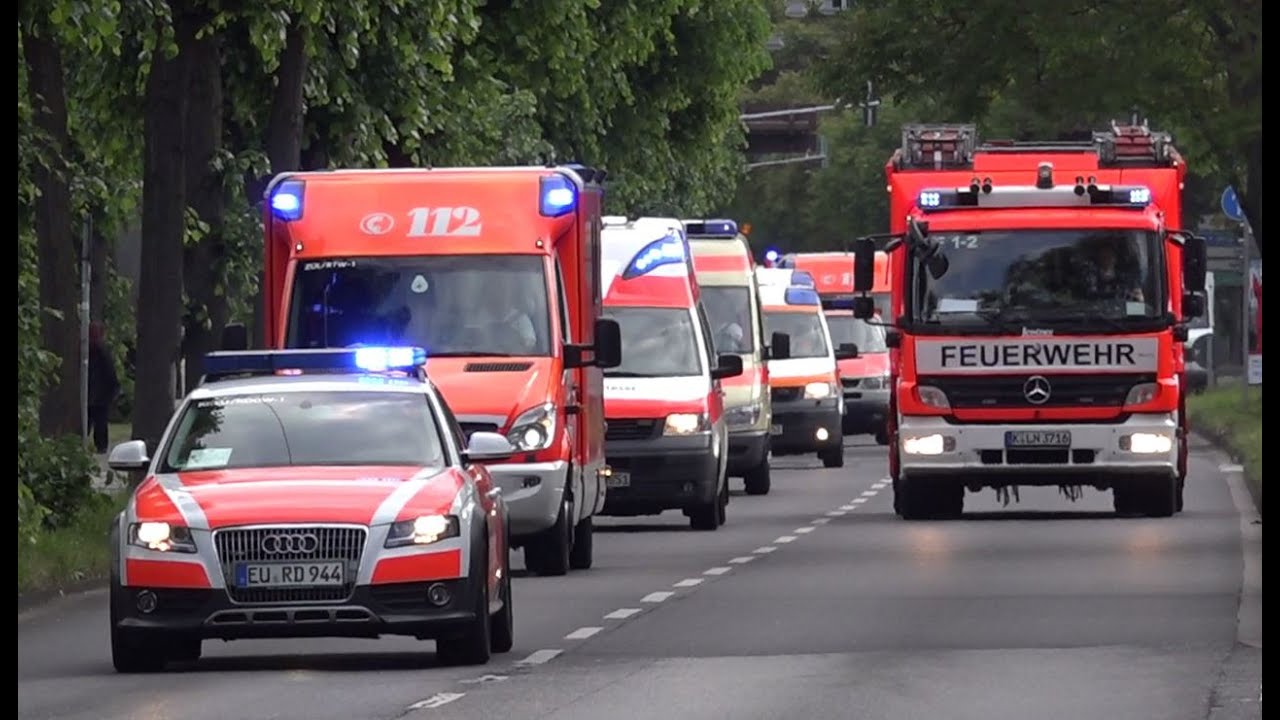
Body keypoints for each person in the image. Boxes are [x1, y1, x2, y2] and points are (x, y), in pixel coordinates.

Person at [87, 321, 120, 454]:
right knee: (96, 421)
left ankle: (101, 445)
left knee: (99, 422)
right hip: (97, 394)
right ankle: (100, 445)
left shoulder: (101, 352)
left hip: (99, 394)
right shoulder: (99, 352)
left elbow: (109, 373)